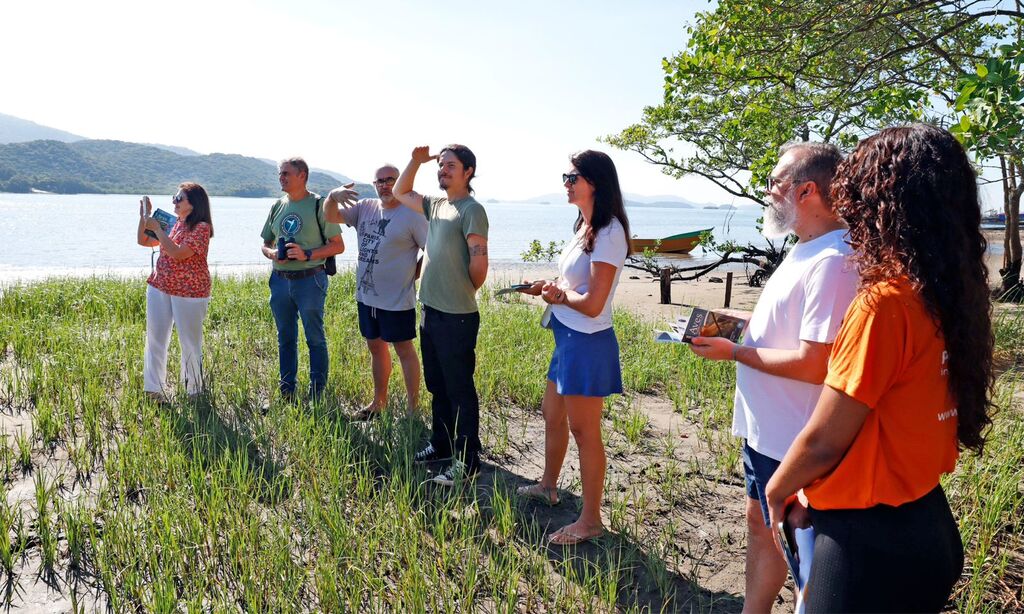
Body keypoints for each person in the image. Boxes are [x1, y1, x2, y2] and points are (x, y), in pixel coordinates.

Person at [765, 124, 994, 612]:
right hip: (930, 523)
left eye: (859, 197)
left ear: (883, 204)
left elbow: (826, 437)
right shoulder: (948, 294)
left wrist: (779, 487)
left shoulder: (884, 303)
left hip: (867, 544)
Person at [688, 142, 858, 611]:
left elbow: (816, 363)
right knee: (761, 528)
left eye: (774, 182)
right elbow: (788, 330)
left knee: (805, 557)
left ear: (807, 190)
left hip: (795, 442)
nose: (767, 192)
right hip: (768, 435)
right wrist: (734, 323)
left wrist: (735, 351)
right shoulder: (805, 248)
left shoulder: (833, 261)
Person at [514, 150, 632, 545]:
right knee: (552, 413)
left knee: (585, 431)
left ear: (594, 182)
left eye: (572, 177)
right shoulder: (584, 225)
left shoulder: (610, 231)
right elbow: (574, 284)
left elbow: (595, 301)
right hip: (566, 334)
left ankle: (591, 520)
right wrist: (548, 288)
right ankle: (549, 485)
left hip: (588, 340)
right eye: (565, 177)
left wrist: (559, 296)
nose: (566, 183)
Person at [392, 144, 489, 486]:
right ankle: (441, 444)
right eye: (442, 165)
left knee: (460, 388)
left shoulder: (471, 209)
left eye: (451, 165)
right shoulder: (436, 205)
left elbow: (479, 264)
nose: (443, 170)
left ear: (468, 172)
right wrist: (416, 161)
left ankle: (468, 459)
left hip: (457, 315)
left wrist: (461, 289)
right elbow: (399, 191)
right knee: (438, 385)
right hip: (430, 310)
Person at [324, 165, 428, 419]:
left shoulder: (413, 214)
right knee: (375, 347)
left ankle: (413, 410)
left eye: (390, 179)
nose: (385, 185)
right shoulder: (365, 207)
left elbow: (431, 250)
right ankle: (378, 402)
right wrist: (331, 196)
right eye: (379, 181)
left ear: (400, 181)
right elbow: (330, 216)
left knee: (404, 350)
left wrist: (412, 273)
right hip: (366, 297)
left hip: (397, 300)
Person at [260, 157, 345, 402]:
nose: (281, 178)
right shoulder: (278, 205)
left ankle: (316, 394)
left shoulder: (319, 205)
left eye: (286, 173)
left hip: (310, 280)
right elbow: (265, 243)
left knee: (314, 338)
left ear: (302, 175)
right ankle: (287, 393)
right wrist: (273, 253)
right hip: (279, 280)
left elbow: (338, 246)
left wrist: (307, 253)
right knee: (285, 338)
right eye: (280, 174)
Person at [137, 182, 214, 399]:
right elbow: (143, 240)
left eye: (179, 198)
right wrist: (145, 217)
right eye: (174, 197)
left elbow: (179, 253)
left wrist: (158, 229)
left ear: (193, 204)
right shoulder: (174, 223)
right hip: (160, 285)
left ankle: (194, 391)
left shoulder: (201, 227)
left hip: (189, 292)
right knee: (155, 338)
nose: (174, 201)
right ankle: (154, 390)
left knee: (190, 343)